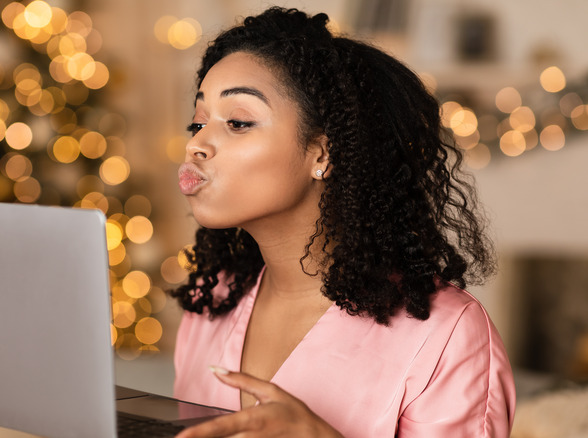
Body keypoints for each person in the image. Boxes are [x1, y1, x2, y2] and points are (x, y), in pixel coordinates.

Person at [170, 7, 516, 438]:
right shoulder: (213, 302)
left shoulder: (447, 334)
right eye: (198, 122)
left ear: (322, 154)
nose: (197, 144)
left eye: (238, 122)